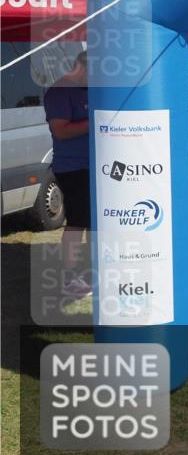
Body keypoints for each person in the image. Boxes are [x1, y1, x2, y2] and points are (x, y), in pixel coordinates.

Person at [43, 50, 92, 298]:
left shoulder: (87, 90)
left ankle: (97, 273)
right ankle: (70, 279)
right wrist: (96, 120)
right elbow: (61, 131)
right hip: (72, 168)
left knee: (95, 223)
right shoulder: (59, 91)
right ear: (82, 67)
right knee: (77, 222)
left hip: (96, 167)